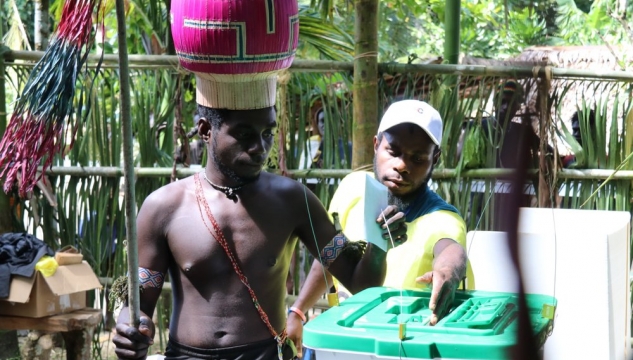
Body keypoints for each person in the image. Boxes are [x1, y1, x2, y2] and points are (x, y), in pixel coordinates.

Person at [112, 1, 405, 359]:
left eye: (267, 132)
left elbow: (360, 283)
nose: (260, 147)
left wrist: (380, 242)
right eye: (244, 134)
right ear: (205, 130)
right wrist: (130, 327)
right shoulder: (164, 207)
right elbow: (138, 301)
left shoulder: (292, 201)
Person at [286, 100, 473, 356]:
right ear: (376, 145)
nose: (402, 166)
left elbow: (451, 251)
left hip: (398, 349)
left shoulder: (442, 219)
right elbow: (332, 254)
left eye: (418, 158)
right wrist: (298, 309)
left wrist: (448, 272)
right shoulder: (352, 188)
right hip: (342, 341)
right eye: (393, 152)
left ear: (435, 159)